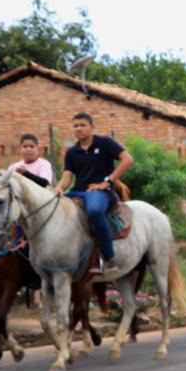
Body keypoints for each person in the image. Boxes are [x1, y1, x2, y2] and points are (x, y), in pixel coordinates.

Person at [57, 112, 134, 275]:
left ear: (92, 127)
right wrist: (59, 188)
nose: (79, 129)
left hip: (101, 192)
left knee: (94, 211)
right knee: (53, 208)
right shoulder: (71, 152)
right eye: (75, 126)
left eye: (83, 125)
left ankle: (109, 258)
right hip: (78, 191)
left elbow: (128, 160)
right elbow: (67, 176)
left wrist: (108, 181)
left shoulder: (105, 143)